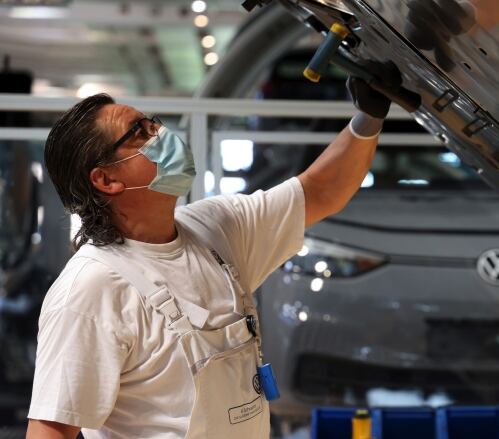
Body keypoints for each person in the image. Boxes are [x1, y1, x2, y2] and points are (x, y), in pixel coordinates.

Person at [26, 74, 395, 438]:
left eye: (152, 122)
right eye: (138, 133)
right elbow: (50, 431)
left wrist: (369, 116)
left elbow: (319, 193)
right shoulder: (89, 291)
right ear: (106, 180)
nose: (160, 133)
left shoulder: (217, 227)